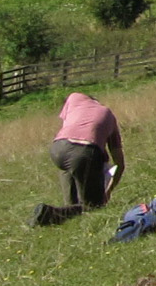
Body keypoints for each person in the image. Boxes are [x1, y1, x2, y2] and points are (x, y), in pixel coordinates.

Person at [30, 92, 125, 227]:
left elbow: (67, 123)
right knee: (93, 205)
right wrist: (108, 191)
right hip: (84, 152)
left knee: (72, 196)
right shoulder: (109, 116)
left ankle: (66, 211)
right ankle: (48, 213)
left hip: (58, 148)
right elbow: (119, 164)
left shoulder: (74, 98)